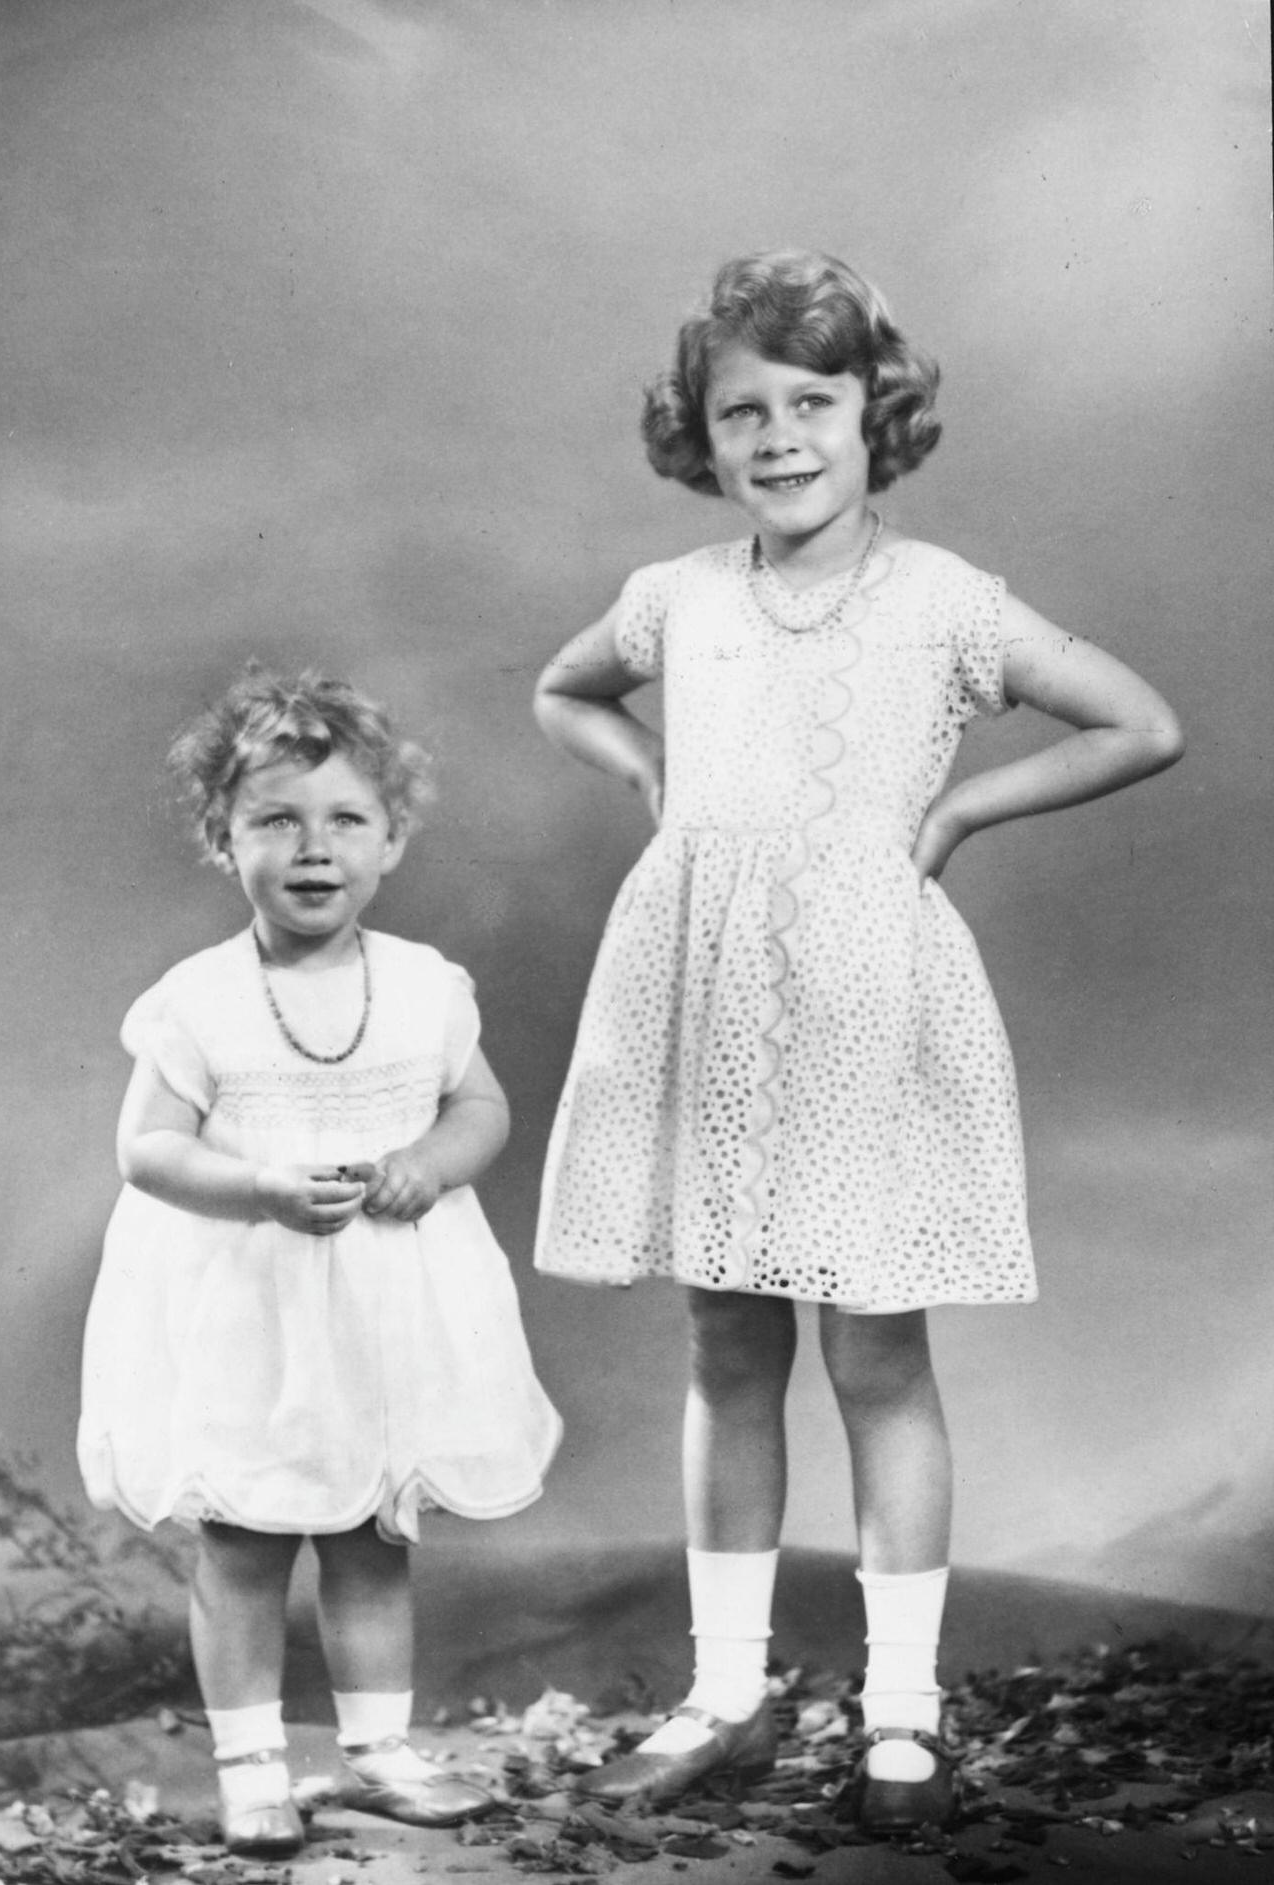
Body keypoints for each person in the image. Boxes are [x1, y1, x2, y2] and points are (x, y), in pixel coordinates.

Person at [532, 251, 1183, 1832]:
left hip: (864, 1008)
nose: (777, 437)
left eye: (811, 402)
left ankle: (901, 1708)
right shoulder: (676, 599)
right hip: (706, 996)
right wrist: (659, 792)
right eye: (737, 409)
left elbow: (1141, 721)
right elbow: (566, 690)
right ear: (699, 431)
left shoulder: (947, 600)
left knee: (877, 1350)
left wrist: (958, 806)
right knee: (726, 1342)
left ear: (873, 412)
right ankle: (727, 1689)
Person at [79, 667, 561, 1858]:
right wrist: (259, 1186)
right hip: (249, 1303)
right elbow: (145, 1148)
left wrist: (431, 1164)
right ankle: (251, 1765)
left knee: (371, 1532)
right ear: (220, 837)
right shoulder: (198, 1001)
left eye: (345, 819)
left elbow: (482, 1106)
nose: (313, 848)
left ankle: (378, 1750)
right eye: (274, 820)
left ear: (391, 840)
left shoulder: (424, 984)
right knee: (243, 1538)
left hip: (386, 1302)